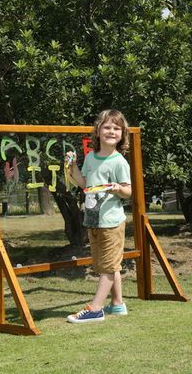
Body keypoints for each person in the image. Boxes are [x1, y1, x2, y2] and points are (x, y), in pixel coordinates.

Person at [65, 109, 132, 324]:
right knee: (107, 264)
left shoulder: (119, 161)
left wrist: (117, 189)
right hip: (93, 220)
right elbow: (85, 184)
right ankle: (118, 304)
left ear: (122, 134)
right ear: (98, 131)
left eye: (116, 128)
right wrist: (72, 165)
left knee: (109, 266)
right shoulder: (91, 158)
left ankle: (95, 308)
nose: (111, 131)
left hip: (112, 221)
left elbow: (128, 190)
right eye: (107, 127)